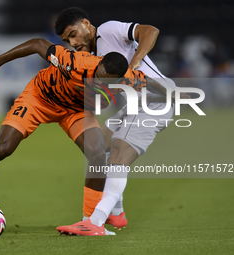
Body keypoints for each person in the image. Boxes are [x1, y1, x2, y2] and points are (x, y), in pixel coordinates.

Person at [0, 38, 163, 235]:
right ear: (100, 64)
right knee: (3, 148)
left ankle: (89, 222)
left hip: (76, 110)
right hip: (40, 99)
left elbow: (152, 84)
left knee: (97, 156)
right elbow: (38, 44)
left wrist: (174, 93)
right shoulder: (76, 62)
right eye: (101, 76)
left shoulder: (128, 78)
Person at [54, 7, 178, 235]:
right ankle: (117, 213)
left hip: (156, 101)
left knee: (119, 155)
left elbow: (150, 30)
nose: (72, 42)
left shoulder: (107, 31)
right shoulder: (90, 59)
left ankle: (96, 221)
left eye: (73, 34)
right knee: (98, 147)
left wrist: (133, 65)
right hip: (135, 105)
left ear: (86, 23)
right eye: (66, 40)